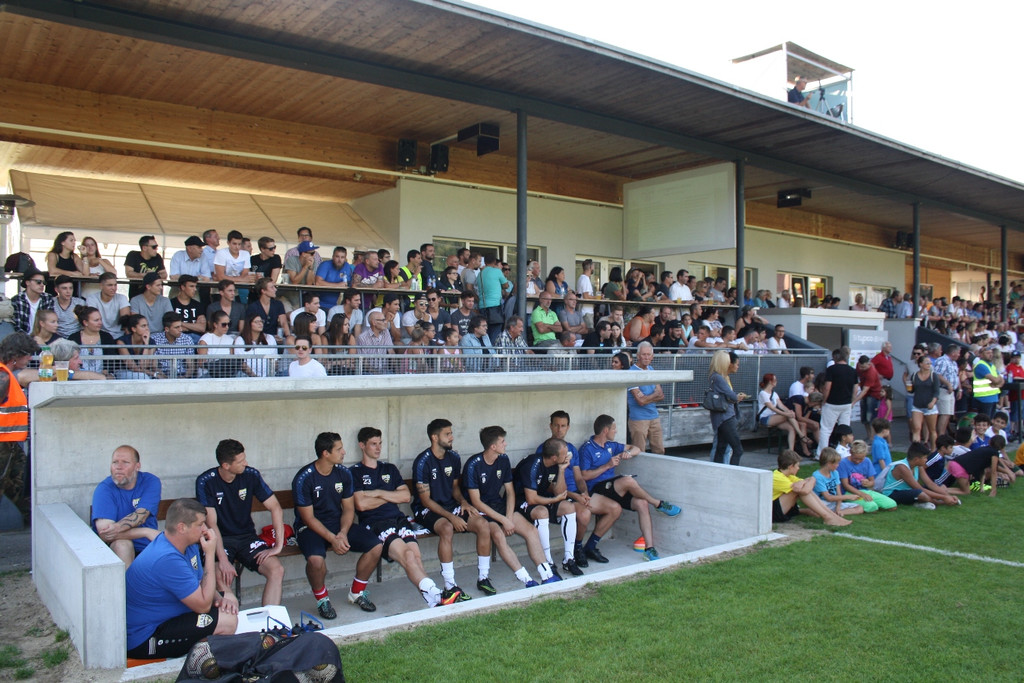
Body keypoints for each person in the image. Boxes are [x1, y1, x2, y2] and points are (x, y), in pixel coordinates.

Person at [351, 427, 460, 606]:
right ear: (362, 446)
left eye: (380, 444)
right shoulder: (354, 472)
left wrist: (377, 493)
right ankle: (437, 594)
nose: (378, 448)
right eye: (373, 444)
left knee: (416, 556)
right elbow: (361, 504)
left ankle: (433, 602)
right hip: (375, 523)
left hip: (399, 519)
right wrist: (389, 495)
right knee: (408, 556)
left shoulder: (389, 469)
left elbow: (404, 496)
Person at [125, 498, 238, 659]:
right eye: (200, 524)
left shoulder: (188, 544)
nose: (206, 529)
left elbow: (200, 582)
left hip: (167, 620)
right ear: (182, 527)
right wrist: (210, 553)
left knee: (227, 608)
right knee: (228, 622)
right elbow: (203, 607)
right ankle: (199, 667)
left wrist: (220, 599)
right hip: (144, 637)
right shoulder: (166, 558)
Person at [292, 432, 383, 619]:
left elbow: (349, 509)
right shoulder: (304, 478)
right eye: (339, 449)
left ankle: (356, 592)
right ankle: (322, 600)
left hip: (338, 526)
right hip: (309, 528)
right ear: (325, 453)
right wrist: (332, 539)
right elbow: (308, 518)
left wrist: (342, 533)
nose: (344, 452)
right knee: (316, 561)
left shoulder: (344, 473)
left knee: (376, 545)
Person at [195, 439, 286, 606]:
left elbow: (276, 508)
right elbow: (211, 524)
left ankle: (271, 624)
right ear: (226, 465)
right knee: (220, 577)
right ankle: (231, 618)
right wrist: (222, 559)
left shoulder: (251, 475)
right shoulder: (206, 481)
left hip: (247, 538)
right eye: (241, 461)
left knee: (277, 570)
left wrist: (278, 546)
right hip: (220, 539)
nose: (246, 463)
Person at [579, 414, 681, 561]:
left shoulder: (611, 446)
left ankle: (649, 549)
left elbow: (637, 448)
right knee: (627, 481)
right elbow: (584, 476)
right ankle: (658, 503)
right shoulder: (587, 449)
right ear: (606, 430)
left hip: (613, 488)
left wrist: (627, 453)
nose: (616, 431)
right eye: (614, 428)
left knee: (642, 503)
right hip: (597, 489)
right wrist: (607, 465)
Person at [461, 426, 553, 586]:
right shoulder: (473, 464)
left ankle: (547, 574)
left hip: (499, 506)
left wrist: (509, 517)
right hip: (480, 510)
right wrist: (503, 520)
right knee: (498, 535)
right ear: (493, 446)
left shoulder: (503, 460)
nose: (506, 444)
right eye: (503, 441)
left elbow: (510, 492)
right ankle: (526, 579)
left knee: (531, 530)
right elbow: (476, 502)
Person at [412, 419, 492, 598]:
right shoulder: (422, 462)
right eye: (447, 434)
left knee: (483, 525)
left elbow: (455, 488)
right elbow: (425, 501)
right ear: (434, 437)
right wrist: (451, 517)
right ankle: (450, 585)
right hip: (427, 509)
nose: (451, 437)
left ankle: (483, 578)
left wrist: (463, 502)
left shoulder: (454, 457)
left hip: (451, 505)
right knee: (447, 528)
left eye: (451, 433)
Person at [514, 436, 584, 577]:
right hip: (520, 500)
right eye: (564, 454)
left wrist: (562, 470)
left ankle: (569, 559)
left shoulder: (556, 464)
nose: (567, 456)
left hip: (542, 497)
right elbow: (531, 498)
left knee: (569, 508)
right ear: (553, 457)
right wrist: (555, 499)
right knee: (542, 512)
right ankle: (548, 561)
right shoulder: (533, 464)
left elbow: (559, 492)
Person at [91, 445, 161, 567]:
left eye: (125, 463)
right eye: (115, 462)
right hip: (117, 550)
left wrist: (117, 527)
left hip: (148, 546)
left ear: (137, 466)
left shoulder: (150, 481)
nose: (119, 467)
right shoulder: (104, 489)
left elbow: (141, 515)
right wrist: (145, 532)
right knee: (122, 544)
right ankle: (126, 586)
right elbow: (105, 533)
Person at [771, 450, 851, 526]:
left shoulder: (789, 476)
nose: (798, 468)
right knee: (799, 491)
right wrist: (807, 481)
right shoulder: (777, 477)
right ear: (791, 466)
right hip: (772, 513)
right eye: (797, 466)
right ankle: (828, 517)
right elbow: (805, 491)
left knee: (803, 489)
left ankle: (832, 516)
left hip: (782, 508)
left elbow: (810, 481)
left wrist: (811, 479)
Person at [878, 441, 960, 508]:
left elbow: (929, 483)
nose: (926, 460)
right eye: (924, 458)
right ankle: (938, 503)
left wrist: (947, 495)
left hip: (908, 490)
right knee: (923, 495)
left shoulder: (918, 466)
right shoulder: (902, 468)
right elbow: (919, 488)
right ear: (916, 459)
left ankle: (939, 500)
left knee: (939, 487)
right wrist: (944, 498)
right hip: (892, 494)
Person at [818, 346, 867, 456]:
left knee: (826, 430)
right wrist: (852, 401)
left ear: (836, 358)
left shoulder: (831, 369)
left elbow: (827, 388)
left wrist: (824, 401)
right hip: (846, 404)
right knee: (845, 429)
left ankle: (822, 454)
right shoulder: (852, 370)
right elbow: (855, 388)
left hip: (831, 403)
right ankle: (845, 452)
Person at [708, 350, 748, 465]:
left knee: (721, 448)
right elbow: (731, 396)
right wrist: (736, 397)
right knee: (737, 449)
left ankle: (718, 471)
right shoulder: (719, 378)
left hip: (722, 417)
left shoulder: (715, 377)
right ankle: (732, 472)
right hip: (726, 417)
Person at [626, 342, 665, 454]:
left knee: (659, 450)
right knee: (639, 452)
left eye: (649, 354)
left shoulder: (651, 369)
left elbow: (661, 395)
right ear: (638, 355)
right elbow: (640, 401)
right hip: (638, 419)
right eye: (643, 354)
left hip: (654, 416)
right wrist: (654, 395)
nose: (646, 357)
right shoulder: (632, 373)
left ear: (652, 356)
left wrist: (647, 397)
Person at [757, 373, 811, 452]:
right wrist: (787, 414)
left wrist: (789, 411)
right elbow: (772, 408)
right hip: (765, 418)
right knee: (788, 416)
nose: (776, 381)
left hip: (775, 417)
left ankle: (791, 451)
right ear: (770, 382)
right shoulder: (763, 393)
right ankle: (801, 435)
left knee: (791, 428)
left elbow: (781, 406)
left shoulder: (774, 394)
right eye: (775, 380)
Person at [838, 440, 897, 511]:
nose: (858, 461)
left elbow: (872, 481)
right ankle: (866, 504)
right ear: (850, 452)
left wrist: (869, 483)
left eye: (861, 459)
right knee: (872, 507)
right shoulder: (843, 463)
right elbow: (846, 485)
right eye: (855, 458)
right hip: (849, 492)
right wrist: (862, 494)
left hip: (865, 491)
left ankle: (872, 503)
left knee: (892, 505)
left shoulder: (867, 461)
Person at [812, 448, 866, 518]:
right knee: (818, 513)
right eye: (836, 463)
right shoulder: (817, 476)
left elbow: (838, 493)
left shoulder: (835, 473)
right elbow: (828, 497)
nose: (838, 465)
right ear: (829, 463)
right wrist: (848, 497)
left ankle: (837, 513)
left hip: (834, 502)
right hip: (822, 503)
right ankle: (802, 510)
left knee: (860, 508)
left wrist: (838, 507)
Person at [233, 312, 279, 377]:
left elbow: (275, 360)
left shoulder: (270, 338)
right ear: (249, 324)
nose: (260, 324)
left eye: (261, 321)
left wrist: (270, 375)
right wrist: (254, 376)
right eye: (256, 322)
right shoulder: (240, 340)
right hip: (247, 376)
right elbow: (241, 363)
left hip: (269, 376)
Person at [152, 312, 196, 378]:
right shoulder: (155, 339)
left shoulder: (187, 339)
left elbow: (191, 366)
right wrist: (164, 377)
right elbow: (154, 366)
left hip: (182, 375)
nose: (180, 330)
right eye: (177, 327)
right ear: (167, 329)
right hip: (161, 376)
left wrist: (184, 378)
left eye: (181, 326)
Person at [11, 269, 56, 335]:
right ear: (27, 282)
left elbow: (49, 324)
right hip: (23, 340)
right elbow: (17, 327)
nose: (42, 285)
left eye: (44, 282)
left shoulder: (48, 298)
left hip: (44, 338)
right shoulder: (17, 300)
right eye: (38, 282)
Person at [972, 344, 1003, 418]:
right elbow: (996, 380)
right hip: (984, 398)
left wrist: (997, 384)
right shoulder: (981, 365)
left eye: (991, 353)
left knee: (991, 421)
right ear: (981, 355)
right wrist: (998, 380)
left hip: (993, 397)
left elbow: (1002, 380)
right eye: (988, 353)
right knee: (985, 421)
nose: (991, 355)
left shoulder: (991, 365)